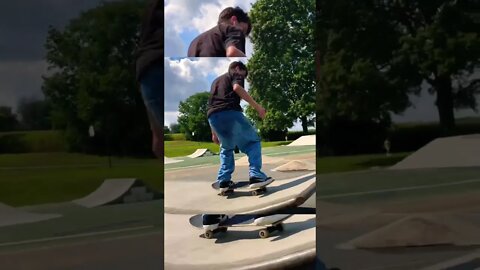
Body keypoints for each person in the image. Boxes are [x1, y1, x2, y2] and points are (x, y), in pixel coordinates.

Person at [207, 61, 273, 193]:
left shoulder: (215, 82)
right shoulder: (236, 73)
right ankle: (256, 176)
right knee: (252, 142)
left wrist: (214, 132)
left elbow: (211, 105)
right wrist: (258, 107)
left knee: (226, 147)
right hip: (230, 112)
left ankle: (224, 181)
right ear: (238, 68)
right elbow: (237, 88)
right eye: (245, 75)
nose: (244, 78)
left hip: (213, 117)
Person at [136, 0, 163, 158]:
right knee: (159, 141)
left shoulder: (151, 10)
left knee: (158, 141)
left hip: (146, 71)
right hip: (158, 65)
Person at [187, 6, 251, 57]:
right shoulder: (233, 29)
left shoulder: (193, 43)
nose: (241, 35)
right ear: (234, 20)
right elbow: (232, 53)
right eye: (243, 30)